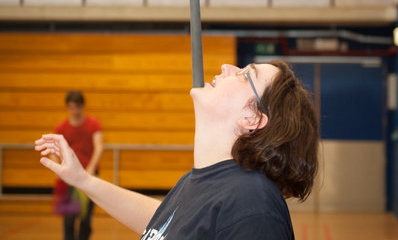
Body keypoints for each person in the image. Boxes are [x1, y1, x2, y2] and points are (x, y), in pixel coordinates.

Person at [36, 61, 318, 239]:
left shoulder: (252, 204)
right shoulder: (203, 182)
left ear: (252, 119)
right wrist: (82, 179)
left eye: (245, 75)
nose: (226, 67)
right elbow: (165, 224)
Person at [52, 90, 103, 240]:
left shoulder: (93, 124)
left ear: (82, 107)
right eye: (71, 107)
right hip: (68, 179)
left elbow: (99, 146)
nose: (75, 111)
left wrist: (92, 166)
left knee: (85, 219)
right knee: (69, 219)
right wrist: (57, 167)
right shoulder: (61, 127)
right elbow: (53, 150)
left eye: (77, 107)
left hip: (88, 177)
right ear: (68, 107)